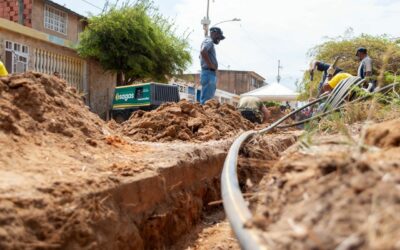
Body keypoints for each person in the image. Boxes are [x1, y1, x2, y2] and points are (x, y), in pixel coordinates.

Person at [199, 27, 225, 104]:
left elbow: (201, 55)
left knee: (207, 99)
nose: (219, 39)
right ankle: (204, 115)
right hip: (208, 73)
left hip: (208, 73)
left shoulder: (207, 42)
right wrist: (210, 65)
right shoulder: (209, 41)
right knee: (207, 101)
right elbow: (203, 52)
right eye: (219, 36)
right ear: (214, 33)